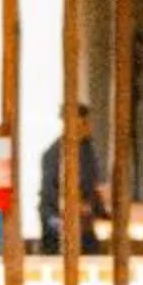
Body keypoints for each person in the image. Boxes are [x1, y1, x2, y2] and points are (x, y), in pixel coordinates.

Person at [39, 102, 108, 254]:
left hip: (83, 221)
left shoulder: (87, 149)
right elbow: (50, 193)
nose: (89, 128)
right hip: (57, 220)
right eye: (84, 123)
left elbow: (92, 185)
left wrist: (101, 210)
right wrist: (74, 206)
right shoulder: (54, 155)